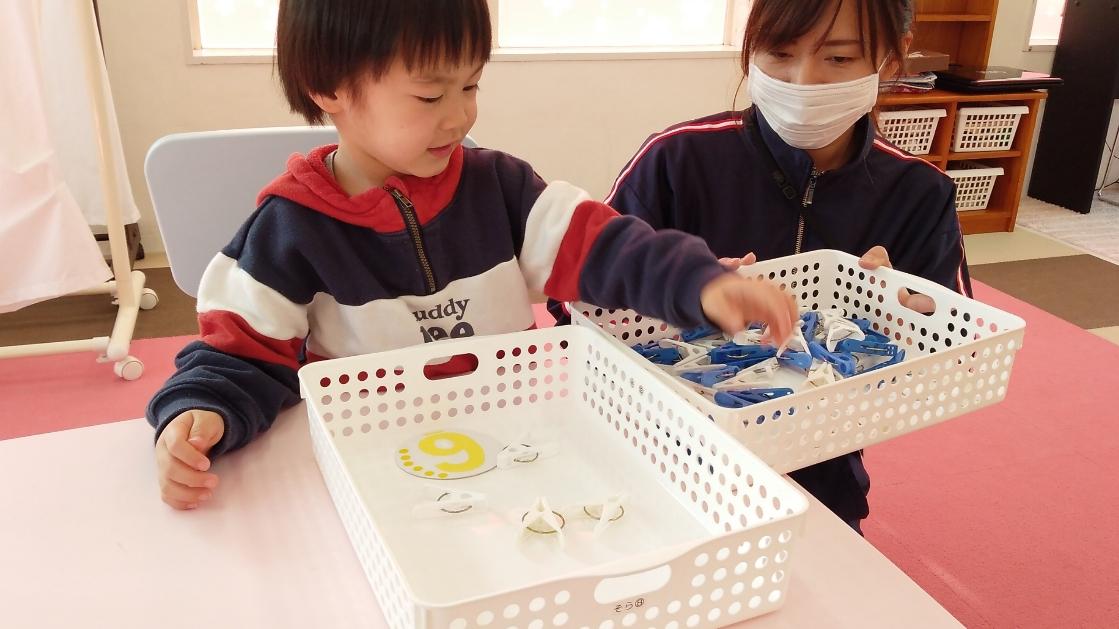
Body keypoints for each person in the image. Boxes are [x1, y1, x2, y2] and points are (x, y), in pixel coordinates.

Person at [146, 0, 798, 510]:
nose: (460, 116)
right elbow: (238, 357)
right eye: (431, 95)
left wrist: (698, 282)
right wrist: (200, 412)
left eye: (471, 86)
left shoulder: (502, 189)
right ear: (328, 86)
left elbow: (606, 246)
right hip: (378, 468)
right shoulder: (289, 229)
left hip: (520, 446)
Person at [598, 0, 972, 533]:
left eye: (838, 59)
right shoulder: (676, 159)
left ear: (892, 60)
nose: (804, 82)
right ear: (750, 51)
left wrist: (902, 309)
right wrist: (680, 285)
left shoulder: (917, 191)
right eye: (779, 53)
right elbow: (578, 300)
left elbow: (955, 343)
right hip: (664, 447)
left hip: (822, 460)